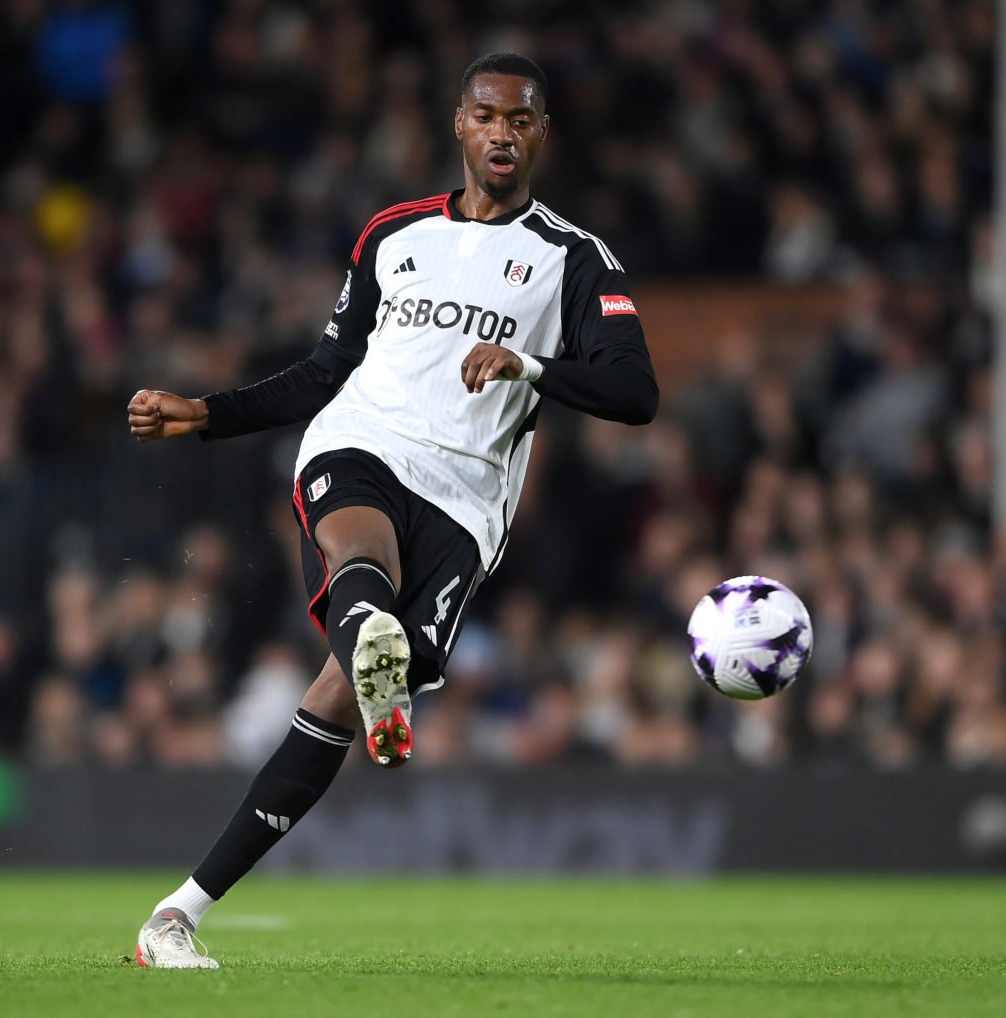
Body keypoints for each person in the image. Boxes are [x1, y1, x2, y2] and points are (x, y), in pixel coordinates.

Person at [125, 53, 657, 968]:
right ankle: (371, 623)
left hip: (467, 502)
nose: (502, 133)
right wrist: (208, 415)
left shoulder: (573, 259)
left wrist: (529, 365)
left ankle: (176, 914)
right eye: (486, 116)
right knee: (360, 560)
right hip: (362, 443)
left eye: (521, 120)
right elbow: (327, 372)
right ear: (459, 125)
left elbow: (636, 391)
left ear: (541, 135)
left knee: (339, 698)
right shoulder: (392, 236)